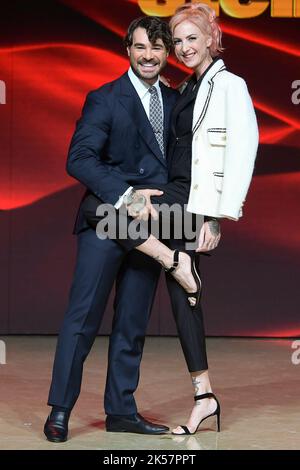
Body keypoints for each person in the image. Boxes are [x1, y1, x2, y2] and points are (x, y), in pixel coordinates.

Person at [84, 2, 259, 435]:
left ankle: (172, 259)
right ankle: (204, 397)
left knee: (102, 212)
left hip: (191, 205)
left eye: (191, 39)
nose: (183, 48)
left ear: (210, 39)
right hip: (173, 192)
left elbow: (244, 150)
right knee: (186, 300)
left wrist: (216, 218)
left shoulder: (229, 85)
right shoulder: (185, 87)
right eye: (177, 41)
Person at [43, 16, 179, 443]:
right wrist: (127, 196)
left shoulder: (175, 102)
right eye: (141, 47)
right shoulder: (104, 98)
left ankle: (121, 411)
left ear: (166, 53)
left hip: (152, 226)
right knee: (82, 319)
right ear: (128, 50)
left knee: (132, 323)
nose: (148, 56)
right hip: (107, 219)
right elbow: (79, 159)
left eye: (157, 49)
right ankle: (60, 410)